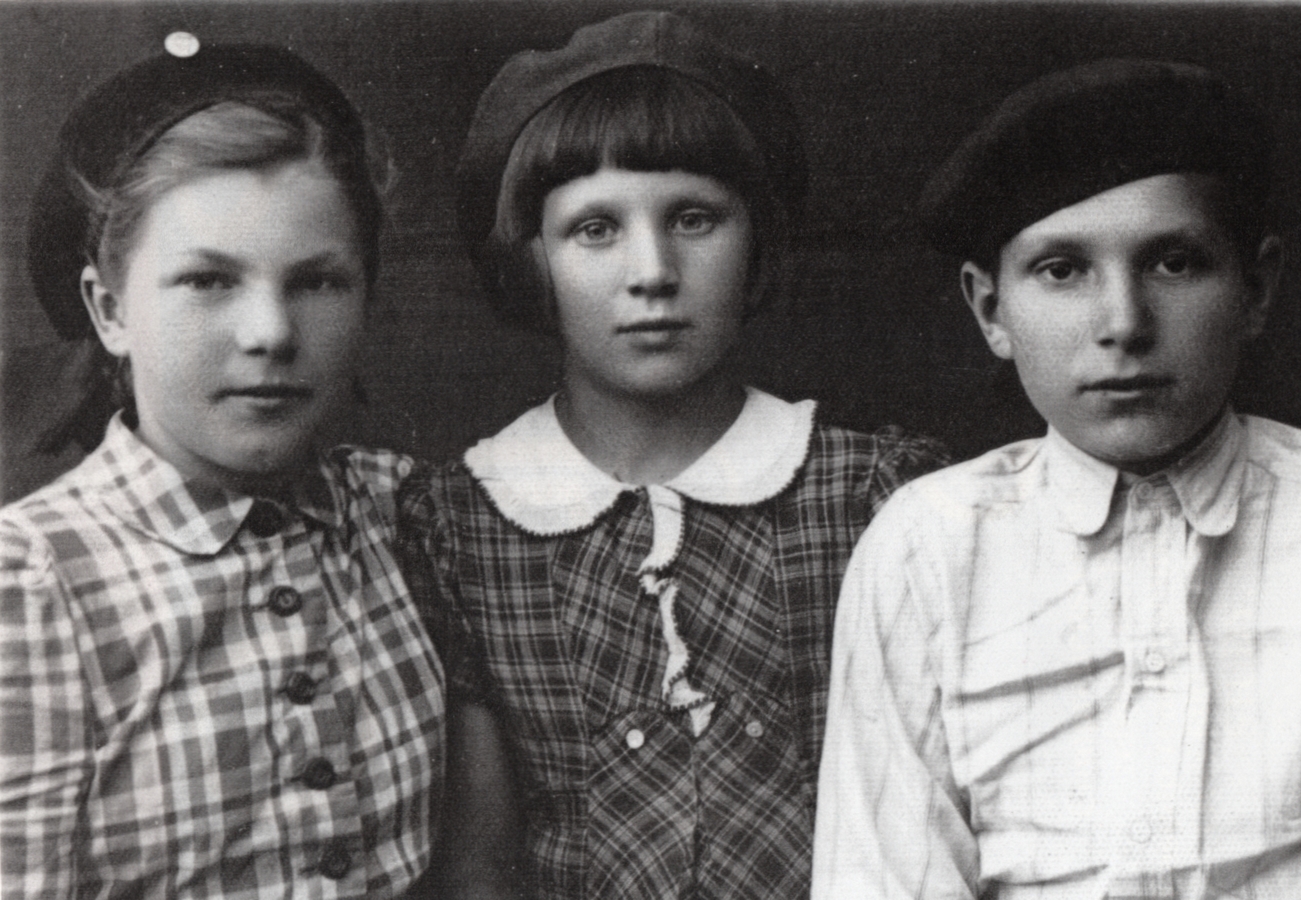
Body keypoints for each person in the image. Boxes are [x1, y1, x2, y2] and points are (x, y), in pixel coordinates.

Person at [396, 11, 947, 900]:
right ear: (530, 260)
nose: (651, 270)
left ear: (756, 241)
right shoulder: (465, 525)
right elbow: (478, 864)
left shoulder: (872, 493)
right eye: (595, 229)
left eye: (693, 218)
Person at [811, 59, 1301, 899]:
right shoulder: (929, 548)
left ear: (1256, 288)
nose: (1123, 323)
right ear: (991, 310)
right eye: (1062, 270)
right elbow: (883, 876)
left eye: (1175, 263)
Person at [0, 38, 446, 899]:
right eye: (208, 281)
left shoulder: (408, 513)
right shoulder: (32, 585)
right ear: (108, 309)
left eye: (318, 283)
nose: (270, 333)